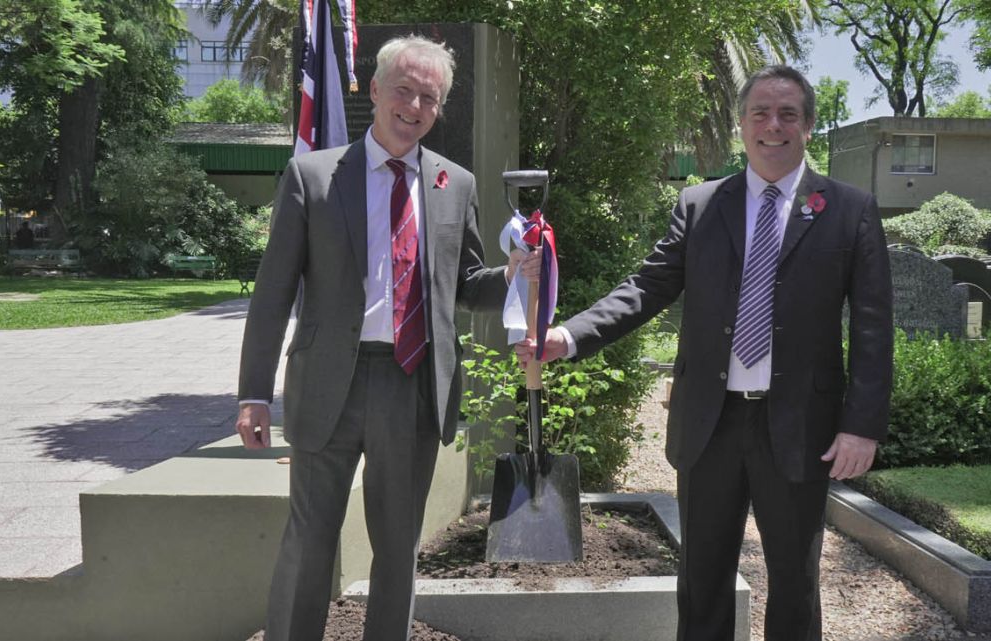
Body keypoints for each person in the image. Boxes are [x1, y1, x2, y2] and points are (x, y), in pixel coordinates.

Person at [516, 66, 893, 641]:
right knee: (702, 579)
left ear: (809, 126)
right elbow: (644, 288)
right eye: (760, 113)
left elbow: (872, 326)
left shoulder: (848, 209)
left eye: (788, 114)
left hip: (798, 427)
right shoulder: (700, 205)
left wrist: (861, 426)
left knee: (795, 582)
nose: (773, 125)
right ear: (741, 125)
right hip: (709, 425)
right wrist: (567, 336)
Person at [235, 35, 535, 641]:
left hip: (411, 386)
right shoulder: (313, 176)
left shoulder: (458, 184)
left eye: (430, 97)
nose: (415, 105)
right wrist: (253, 394)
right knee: (310, 540)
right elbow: (272, 295)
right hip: (328, 386)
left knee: (398, 550)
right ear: (374, 91)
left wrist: (512, 272)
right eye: (404, 90)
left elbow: (464, 284)